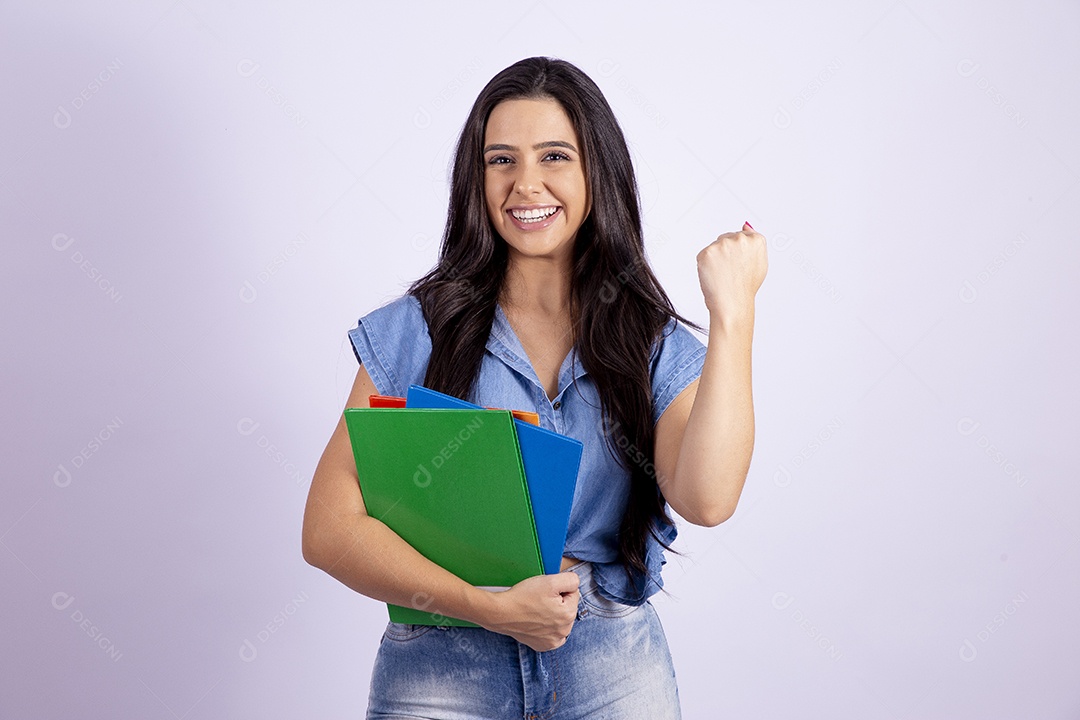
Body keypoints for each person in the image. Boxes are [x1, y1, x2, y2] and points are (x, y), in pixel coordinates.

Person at [302, 56, 767, 719]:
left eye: (554, 156)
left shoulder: (648, 341)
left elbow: (707, 497)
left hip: (610, 663)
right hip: (441, 659)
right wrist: (485, 607)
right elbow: (327, 528)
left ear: (594, 172)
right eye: (501, 160)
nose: (526, 184)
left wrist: (734, 318)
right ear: (476, 177)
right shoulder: (420, 329)